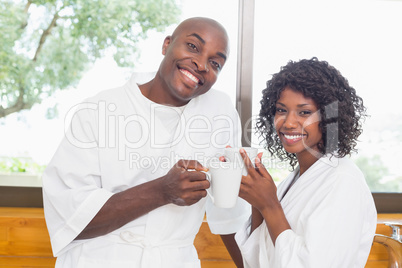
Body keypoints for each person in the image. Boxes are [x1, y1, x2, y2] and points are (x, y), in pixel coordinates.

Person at [42, 17, 250, 268]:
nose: (201, 64)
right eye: (193, 46)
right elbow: (71, 219)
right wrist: (162, 190)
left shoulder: (219, 112)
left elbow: (229, 209)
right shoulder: (99, 110)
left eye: (215, 62)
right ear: (166, 45)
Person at [235, 58, 377, 267]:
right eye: (281, 110)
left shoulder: (343, 181)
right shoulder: (295, 180)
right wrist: (258, 201)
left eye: (304, 112)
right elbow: (259, 260)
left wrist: (270, 205)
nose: (289, 123)